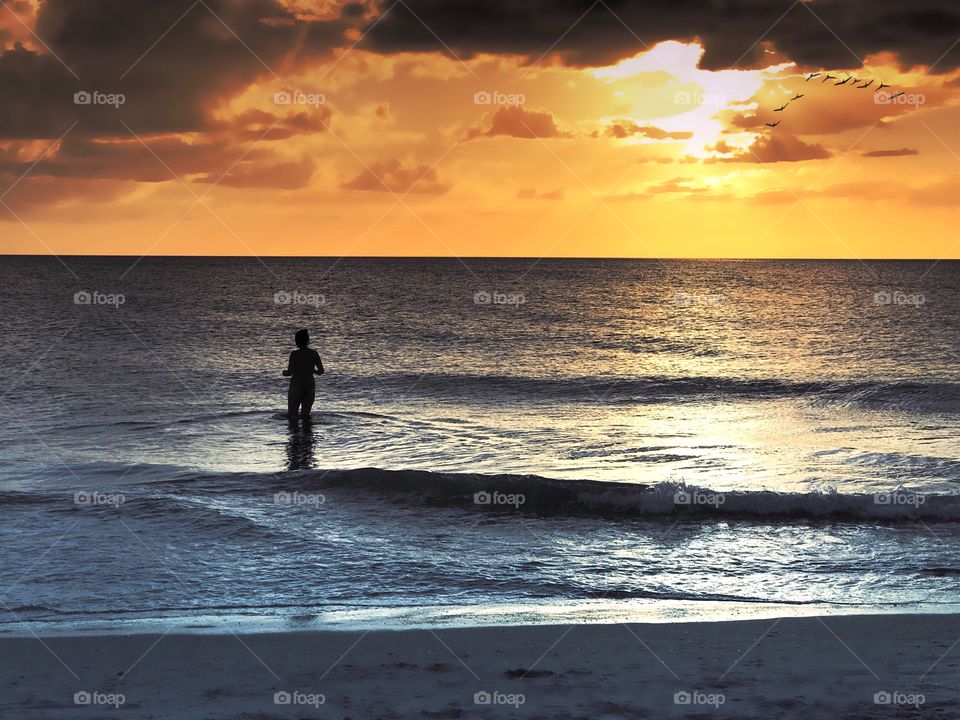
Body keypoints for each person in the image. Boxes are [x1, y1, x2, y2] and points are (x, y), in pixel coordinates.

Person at [283, 328, 324, 419]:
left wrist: (284, 373)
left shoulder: (294, 354)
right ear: (307, 340)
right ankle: (307, 432)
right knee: (305, 416)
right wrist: (312, 370)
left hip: (296, 384)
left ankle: (294, 433)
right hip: (309, 384)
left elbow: (290, 372)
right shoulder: (314, 353)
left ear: (297, 340)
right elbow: (321, 371)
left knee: (292, 416)